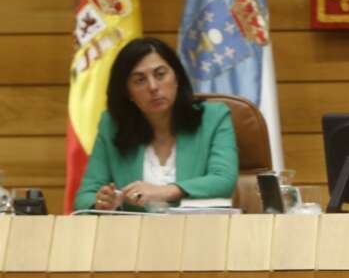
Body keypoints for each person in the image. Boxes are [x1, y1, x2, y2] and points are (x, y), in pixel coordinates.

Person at [74, 37, 238, 211]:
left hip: (199, 232)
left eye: (160, 75)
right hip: (133, 235)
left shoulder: (213, 117)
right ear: (127, 91)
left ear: (177, 77)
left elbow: (223, 180)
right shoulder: (112, 125)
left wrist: (164, 192)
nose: (153, 87)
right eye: (139, 80)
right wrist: (103, 204)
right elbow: (85, 197)